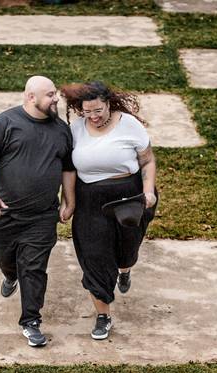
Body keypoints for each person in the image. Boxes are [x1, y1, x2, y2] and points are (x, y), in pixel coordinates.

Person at [0, 76, 76, 348]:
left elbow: (68, 167)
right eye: (50, 95)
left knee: (33, 268)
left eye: (55, 94)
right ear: (31, 97)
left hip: (42, 217)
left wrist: (69, 200)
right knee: (1, 254)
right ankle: (9, 274)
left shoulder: (61, 130)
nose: (55, 99)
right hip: (4, 213)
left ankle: (31, 321)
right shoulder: (5, 123)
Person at [59, 81, 157, 340]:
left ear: (108, 103)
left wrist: (148, 190)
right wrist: (69, 202)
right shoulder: (76, 129)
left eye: (98, 110)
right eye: (87, 111)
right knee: (95, 257)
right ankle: (103, 314)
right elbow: (68, 169)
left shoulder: (129, 125)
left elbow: (147, 160)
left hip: (128, 195)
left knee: (126, 249)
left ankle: (125, 269)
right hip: (90, 199)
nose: (93, 116)